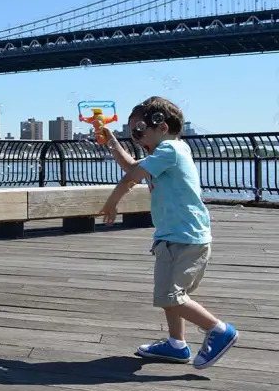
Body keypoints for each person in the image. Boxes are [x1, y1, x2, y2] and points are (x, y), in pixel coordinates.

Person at [100, 96, 238, 369]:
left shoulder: (169, 151)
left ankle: (220, 330)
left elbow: (130, 178)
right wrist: (112, 142)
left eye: (139, 131)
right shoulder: (169, 151)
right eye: (132, 133)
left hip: (182, 237)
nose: (136, 137)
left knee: (170, 295)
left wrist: (111, 203)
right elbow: (132, 168)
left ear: (162, 127)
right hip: (177, 236)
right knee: (169, 294)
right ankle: (177, 345)